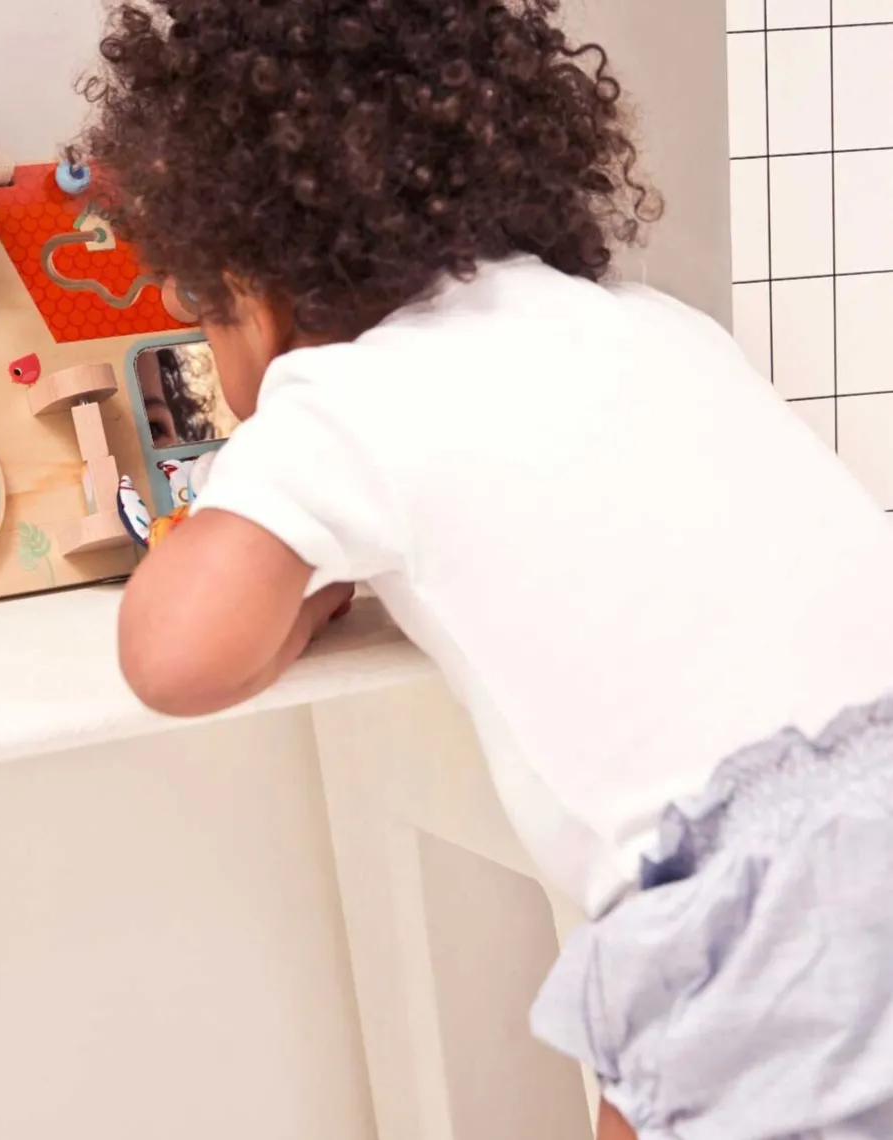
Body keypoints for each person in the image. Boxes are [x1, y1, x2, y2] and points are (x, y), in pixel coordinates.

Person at [83, 2, 893, 1136]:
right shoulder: (653, 324)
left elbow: (175, 657)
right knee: (652, 1062)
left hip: (762, 908)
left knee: (681, 1034)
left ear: (250, 289)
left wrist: (299, 591)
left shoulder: (339, 400)